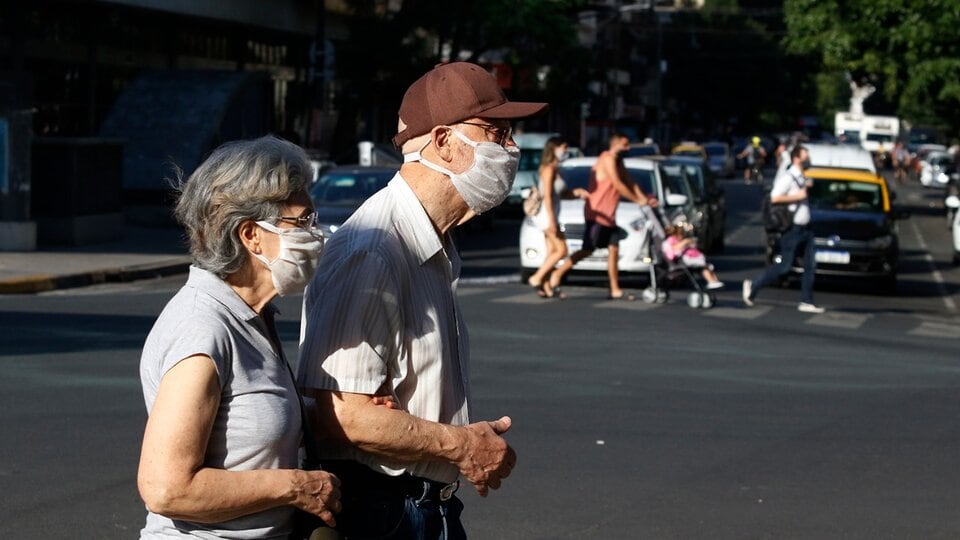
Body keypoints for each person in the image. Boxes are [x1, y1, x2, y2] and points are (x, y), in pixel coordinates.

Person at [296, 62, 546, 539]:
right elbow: (340, 417)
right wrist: (460, 444)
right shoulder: (373, 250)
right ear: (445, 141)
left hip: (424, 507)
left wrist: (452, 438)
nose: (510, 148)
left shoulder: (430, 243)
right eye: (496, 131)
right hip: (385, 511)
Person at [137, 136, 341, 538]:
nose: (315, 235)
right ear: (251, 235)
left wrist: (331, 410)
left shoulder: (253, 315)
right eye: (302, 222)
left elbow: (251, 411)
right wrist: (297, 487)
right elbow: (166, 489)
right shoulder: (203, 329)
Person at [545, 132, 656, 301]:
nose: (628, 148)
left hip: (609, 214)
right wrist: (637, 200)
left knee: (614, 249)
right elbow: (618, 183)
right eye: (625, 144)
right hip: (597, 213)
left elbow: (630, 182)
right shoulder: (607, 159)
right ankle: (557, 274)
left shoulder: (619, 162)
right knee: (587, 249)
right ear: (615, 144)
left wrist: (643, 198)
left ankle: (614, 288)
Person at [743, 145, 826, 313]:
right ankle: (753, 286)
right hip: (792, 229)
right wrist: (798, 196)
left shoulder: (801, 177)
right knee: (785, 266)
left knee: (810, 265)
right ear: (797, 158)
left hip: (806, 229)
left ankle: (806, 301)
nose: (808, 159)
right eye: (805, 156)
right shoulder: (788, 177)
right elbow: (774, 197)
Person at [526, 136, 580, 299]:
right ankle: (536, 278)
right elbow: (548, 196)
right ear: (554, 149)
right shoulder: (548, 169)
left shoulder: (555, 169)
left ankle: (547, 285)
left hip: (551, 214)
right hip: (546, 215)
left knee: (552, 251)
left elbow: (560, 194)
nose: (566, 151)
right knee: (562, 250)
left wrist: (576, 193)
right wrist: (552, 221)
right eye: (564, 147)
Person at [661, 224, 724, 290]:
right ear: (675, 234)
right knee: (704, 267)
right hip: (685, 259)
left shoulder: (677, 240)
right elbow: (675, 248)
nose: (682, 236)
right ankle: (711, 281)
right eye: (681, 234)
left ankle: (714, 281)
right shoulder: (671, 240)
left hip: (690, 258)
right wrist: (685, 242)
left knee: (706, 267)